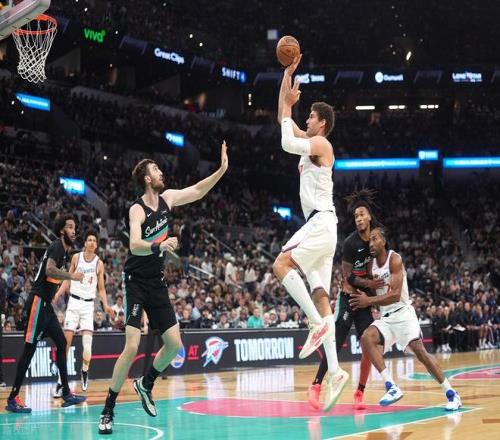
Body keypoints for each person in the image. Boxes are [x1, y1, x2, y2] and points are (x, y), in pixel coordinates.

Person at [98, 141, 229, 434]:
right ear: (147, 178)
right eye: (156, 169)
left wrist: (221, 169)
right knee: (132, 346)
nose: (161, 173)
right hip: (135, 281)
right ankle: (108, 409)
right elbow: (134, 245)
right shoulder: (137, 209)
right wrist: (160, 245)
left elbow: (198, 190)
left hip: (156, 282)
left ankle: (145, 384)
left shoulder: (168, 198)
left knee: (174, 344)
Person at [272, 54, 348, 411]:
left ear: (322, 123)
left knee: (281, 265)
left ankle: (316, 325)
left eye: (311, 117)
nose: (307, 120)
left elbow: (287, 142)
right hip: (323, 227)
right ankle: (335, 370)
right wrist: (286, 78)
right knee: (320, 294)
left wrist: (289, 105)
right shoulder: (312, 142)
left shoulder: (322, 145)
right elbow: (283, 122)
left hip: (320, 222)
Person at [350, 227, 462, 410]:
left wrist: (368, 300)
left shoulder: (395, 259)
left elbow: (395, 295)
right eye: (369, 240)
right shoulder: (370, 266)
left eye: (375, 239)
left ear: (384, 241)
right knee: (366, 338)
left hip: (402, 312)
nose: (371, 243)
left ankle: (451, 393)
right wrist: (359, 288)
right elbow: (372, 290)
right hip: (385, 317)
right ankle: (391, 386)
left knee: (420, 352)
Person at [308, 189, 385, 411]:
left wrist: (373, 297)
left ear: (369, 217)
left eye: (362, 215)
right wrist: (368, 284)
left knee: (369, 346)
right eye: (355, 216)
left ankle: (359, 392)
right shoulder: (351, 243)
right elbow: (348, 276)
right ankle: (316, 385)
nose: (359, 219)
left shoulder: (377, 240)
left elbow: (378, 267)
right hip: (348, 298)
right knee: (336, 342)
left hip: (364, 301)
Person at [5, 214, 87, 413]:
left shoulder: (64, 252)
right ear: (61, 230)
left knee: (61, 343)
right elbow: (50, 271)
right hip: (37, 303)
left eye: (74, 227)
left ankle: (66, 393)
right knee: (29, 349)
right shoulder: (57, 246)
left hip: (46, 307)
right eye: (69, 227)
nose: (73, 230)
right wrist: (72, 276)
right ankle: (13, 398)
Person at [52, 230, 115, 394]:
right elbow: (67, 279)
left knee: (87, 348)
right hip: (73, 303)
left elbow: (101, 289)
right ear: (85, 243)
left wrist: (106, 306)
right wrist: (58, 294)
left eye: (94, 240)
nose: (92, 242)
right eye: (89, 240)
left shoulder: (99, 263)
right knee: (65, 345)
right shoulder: (76, 258)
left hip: (88, 306)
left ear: (96, 245)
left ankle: (84, 371)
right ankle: (60, 381)